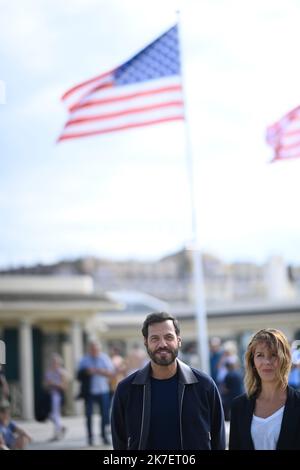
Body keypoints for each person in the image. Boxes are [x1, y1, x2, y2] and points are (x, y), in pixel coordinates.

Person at [111, 312, 226, 450]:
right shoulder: (126, 389)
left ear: (179, 340)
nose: (162, 344)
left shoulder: (204, 386)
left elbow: (218, 441)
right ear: (146, 343)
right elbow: (119, 443)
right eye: (155, 338)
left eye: (168, 337)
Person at [229, 328, 300, 450]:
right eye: (260, 355)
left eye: (273, 355)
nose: (267, 361)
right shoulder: (239, 406)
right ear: (252, 362)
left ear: (285, 359)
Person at [77, 340, 115, 446]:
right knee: (88, 415)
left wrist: (99, 371)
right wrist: (86, 371)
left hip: (103, 391)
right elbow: (78, 375)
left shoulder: (104, 358)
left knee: (104, 415)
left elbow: (111, 374)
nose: (94, 351)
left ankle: (104, 436)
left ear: (99, 349)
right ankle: (90, 437)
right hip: (89, 392)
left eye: (96, 349)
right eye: (92, 349)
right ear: (90, 349)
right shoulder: (84, 360)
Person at [44, 353, 69, 441]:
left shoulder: (62, 372)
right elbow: (46, 384)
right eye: (53, 362)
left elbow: (64, 386)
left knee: (56, 414)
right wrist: (49, 384)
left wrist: (54, 384)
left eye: (56, 362)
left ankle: (57, 434)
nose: (54, 364)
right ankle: (61, 428)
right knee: (50, 415)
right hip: (49, 395)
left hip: (57, 395)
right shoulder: (48, 372)